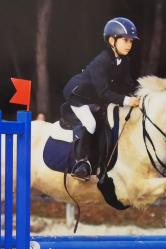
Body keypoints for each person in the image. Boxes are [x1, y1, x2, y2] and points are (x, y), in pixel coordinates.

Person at [62, 17, 141, 181]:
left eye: (131, 41)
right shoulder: (102, 60)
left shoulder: (125, 60)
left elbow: (128, 85)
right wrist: (127, 101)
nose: (129, 44)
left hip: (96, 99)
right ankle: (80, 164)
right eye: (125, 40)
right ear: (112, 40)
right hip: (79, 97)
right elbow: (104, 93)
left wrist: (141, 96)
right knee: (90, 123)